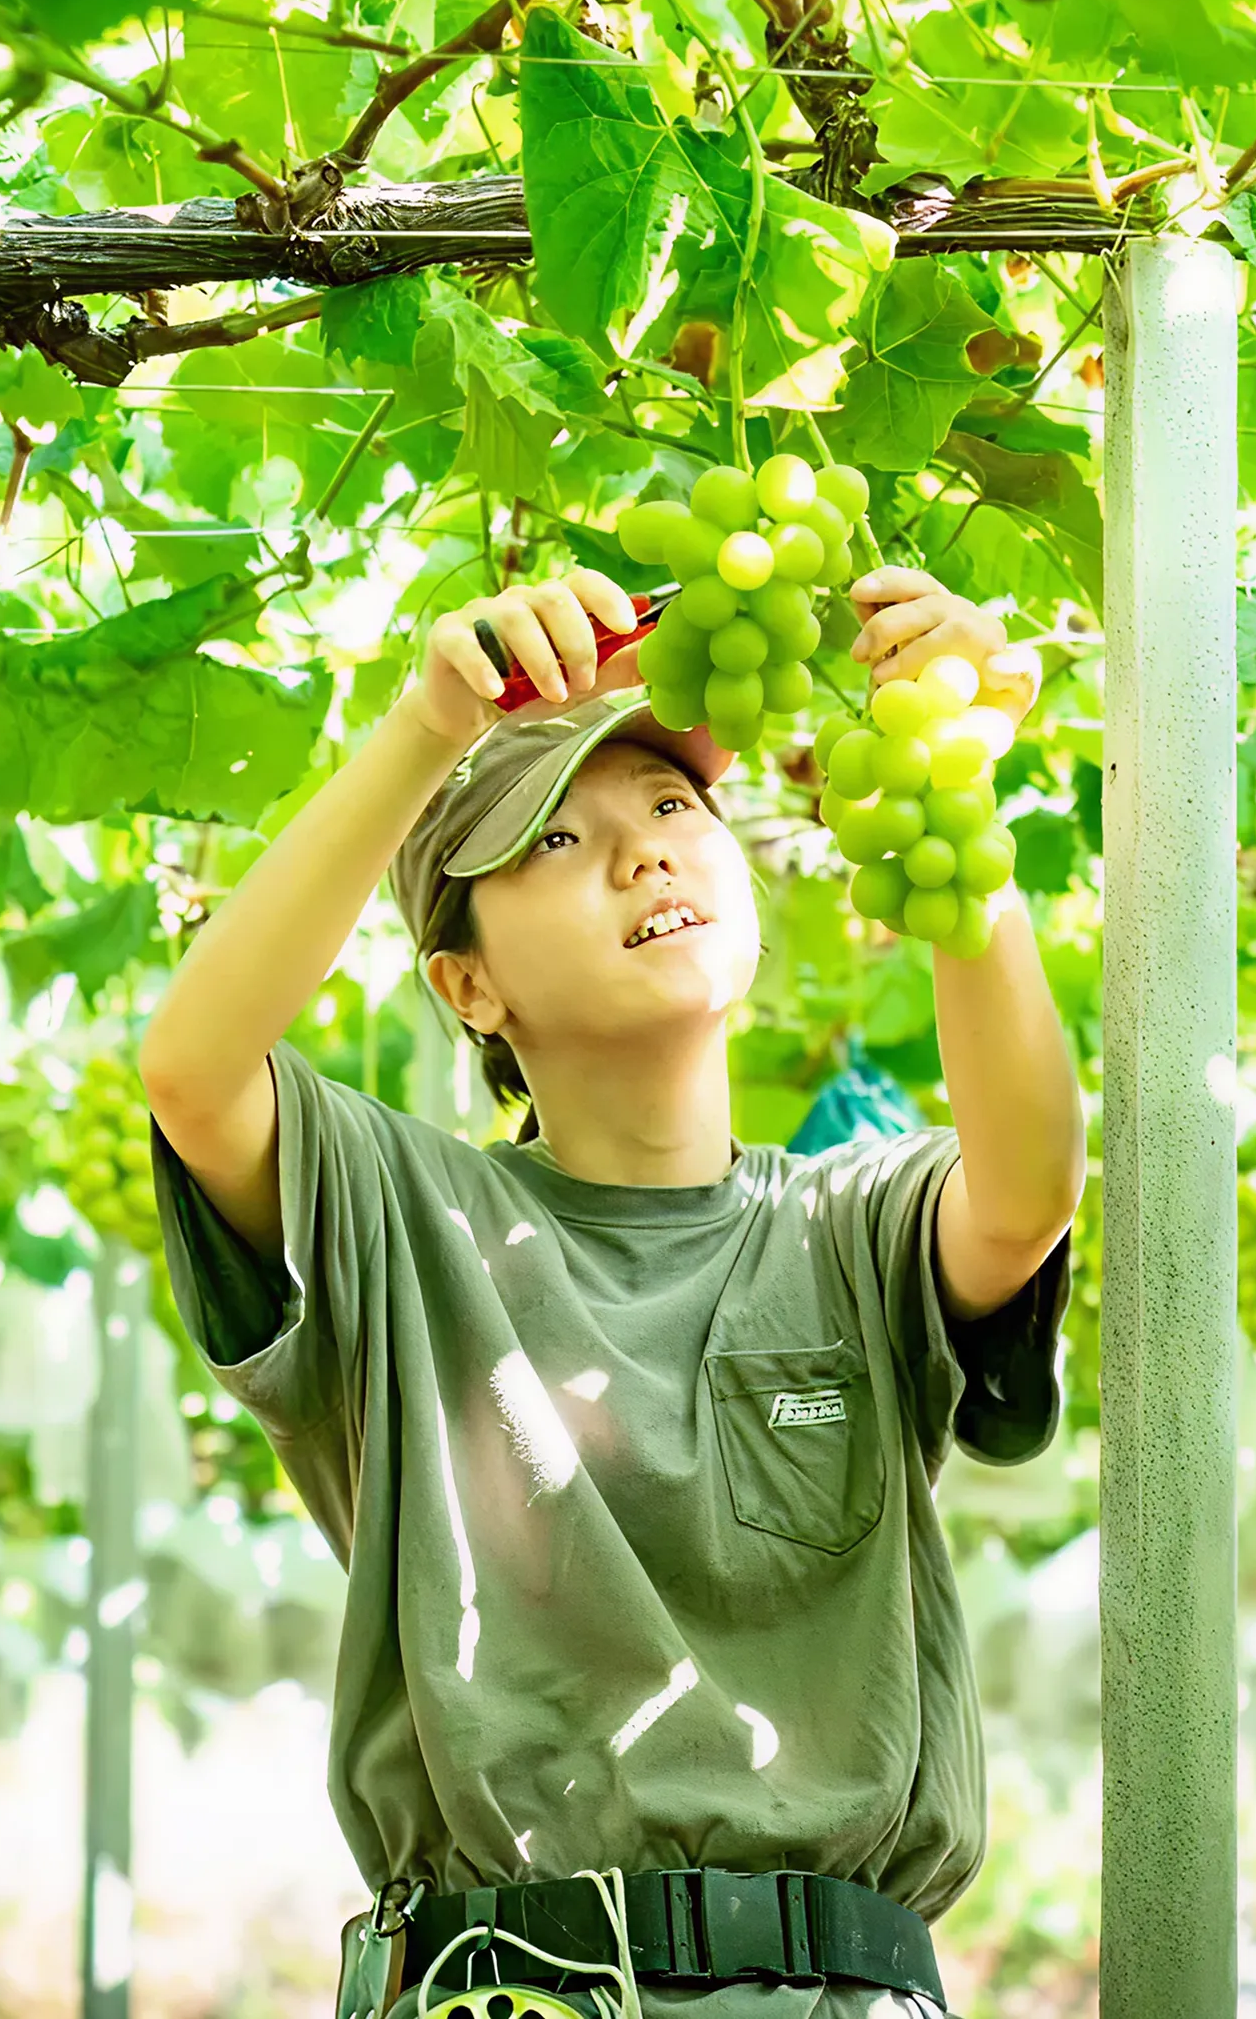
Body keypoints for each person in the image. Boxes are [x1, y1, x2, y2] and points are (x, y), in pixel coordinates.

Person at [139, 561, 1085, 2017]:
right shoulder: (407, 1220)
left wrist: (952, 772)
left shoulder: (853, 1223)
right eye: (561, 836)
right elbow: (195, 1070)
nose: (648, 853)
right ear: (467, 987)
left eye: (676, 808)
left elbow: (1026, 1186)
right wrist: (429, 725)